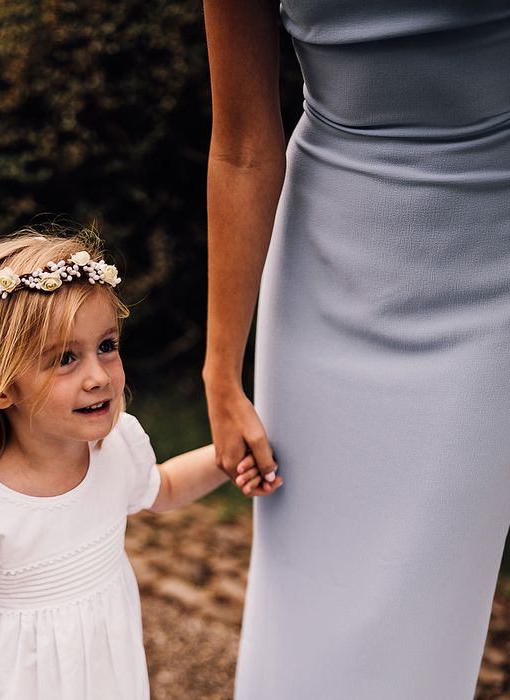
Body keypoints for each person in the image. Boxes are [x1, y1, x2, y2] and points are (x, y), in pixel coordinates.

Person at [203, 1, 510, 698]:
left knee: (427, 604)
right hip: (327, 261)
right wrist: (222, 369)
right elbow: (243, 145)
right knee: (305, 598)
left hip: (495, 263)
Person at [0, 227, 274, 699]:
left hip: (106, 672)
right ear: (0, 386)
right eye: (64, 359)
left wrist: (227, 458)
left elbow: (163, 487)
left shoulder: (116, 449)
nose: (98, 376)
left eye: (106, 346)